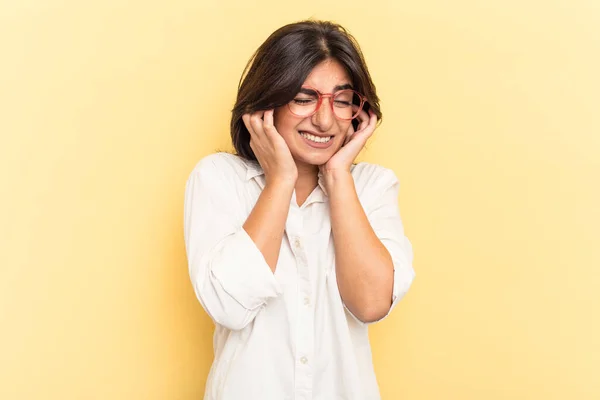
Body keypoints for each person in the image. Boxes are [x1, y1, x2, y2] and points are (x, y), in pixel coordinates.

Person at [183, 19, 415, 400]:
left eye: (342, 101)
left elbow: (371, 303)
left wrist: (338, 176)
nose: (324, 120)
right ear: (265, 103)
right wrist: (280, 181)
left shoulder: (373, 187)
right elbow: (228, 305)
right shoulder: (219, 179)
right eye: (304, 98)